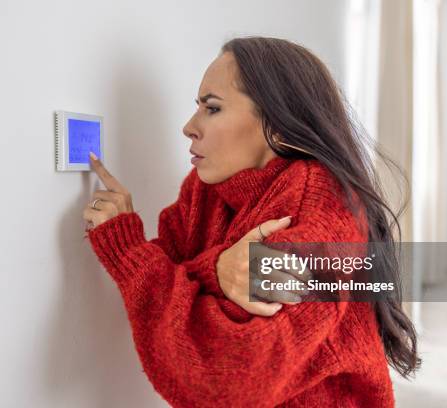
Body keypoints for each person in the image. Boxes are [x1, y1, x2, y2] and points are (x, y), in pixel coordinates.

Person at [82, 36, 420, 408]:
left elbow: (228, 378)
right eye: (197, 107)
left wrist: (130, 254)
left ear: (276, 127)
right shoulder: (206, 188)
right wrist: (216, 270)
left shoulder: (322, 209)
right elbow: (170, 264)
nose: (189, 127)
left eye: (212, 109)